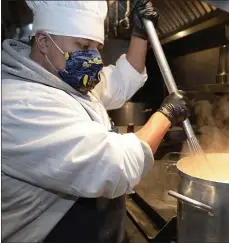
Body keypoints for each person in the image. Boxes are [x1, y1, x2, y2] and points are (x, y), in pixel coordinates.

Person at [1, 0, 192, 242]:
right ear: (43, 42)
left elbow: (122, 79)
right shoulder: (20, 104)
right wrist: (166, 115)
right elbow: (114, 165)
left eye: (96, 47)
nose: (93, 58)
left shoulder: (62, 77)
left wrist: (140, 34)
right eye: (83, 45)